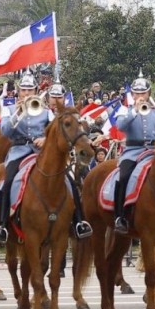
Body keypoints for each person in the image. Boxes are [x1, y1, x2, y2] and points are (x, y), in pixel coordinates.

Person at [0, 72, 55, 245]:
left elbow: (56, 132)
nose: (27, 94)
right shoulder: (9, 108)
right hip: (18, 151)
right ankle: (2, 225)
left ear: (36, 91)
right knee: (8, 181)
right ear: (19, 92)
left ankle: (77, 220)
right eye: (24, 90)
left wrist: (46, 139)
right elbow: (5, 131)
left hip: (41, 153)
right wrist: (18, 112)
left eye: (30, 90)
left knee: (68, 179)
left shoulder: (47, 111)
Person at [112, 71, 155, 234]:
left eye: (143, 93)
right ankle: (120, 216)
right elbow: (121, 126)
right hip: (132, 151)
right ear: (132, 94)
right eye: (137, 93)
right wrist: (135, 111)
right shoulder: (125, 110)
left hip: (153, 152)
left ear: (149, 94)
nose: (140, 96)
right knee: (123, 176)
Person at [45, 81, 93, 239]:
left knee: (74, 181)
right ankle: (4, 222)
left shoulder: (69, 114)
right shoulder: (40, 111)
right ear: (48, 97)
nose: (55, 99)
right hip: (36, 152)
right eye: (53, 96)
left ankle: (79, 221)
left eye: (59, 96)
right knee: (10, 177)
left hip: (63, 156)